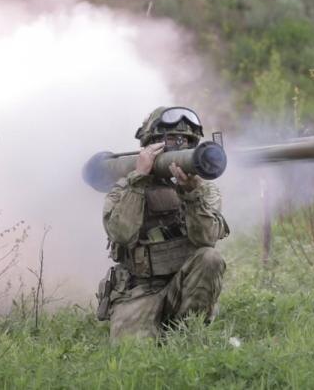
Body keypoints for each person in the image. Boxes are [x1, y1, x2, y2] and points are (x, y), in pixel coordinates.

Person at [96, 106, 230, 340]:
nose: (178, 147)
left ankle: (189, 332)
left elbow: (206, 239)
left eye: (185, 142)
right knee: (134, 357)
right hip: (138, 290)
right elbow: (121, 233)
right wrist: (138, 182)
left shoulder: (204, 188)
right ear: (149, 146)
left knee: (210, 258)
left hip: (182, 284)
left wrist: (191, 195)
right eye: (168, 141)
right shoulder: (124, 187)